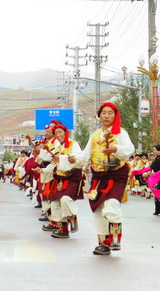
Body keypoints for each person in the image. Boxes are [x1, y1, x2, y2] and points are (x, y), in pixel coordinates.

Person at [81, 102, 135, 256]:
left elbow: (130, 149)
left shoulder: (120, 133)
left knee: (112, 204)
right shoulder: (95, 135)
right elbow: (85, 155)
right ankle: (103, 244)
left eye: (110, 113)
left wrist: (116, 148)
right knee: (98, 210)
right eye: (104, 112)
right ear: (99, 115)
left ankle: (115, 239)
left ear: (115, 115)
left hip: (116, 174)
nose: (106, 116)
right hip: (98, 176)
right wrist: (70, 159)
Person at [43, 120, 84, 238]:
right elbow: (54, 161)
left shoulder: (73, 144)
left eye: (60, 132)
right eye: (56, 133)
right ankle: (63, 229)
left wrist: (61, 158)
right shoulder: (58, 147)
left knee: (66, 199)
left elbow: (77, 157)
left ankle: (73, 218)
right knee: (55, 202)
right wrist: (44, 170)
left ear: (66, 132)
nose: (59, 135)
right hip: (60, 178)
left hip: (73, 177)